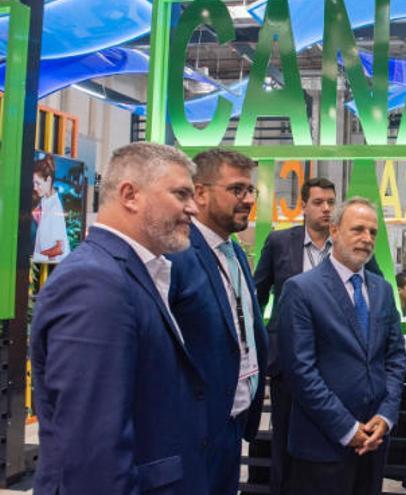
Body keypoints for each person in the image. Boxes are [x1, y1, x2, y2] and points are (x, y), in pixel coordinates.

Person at [30, 142, 209, 494]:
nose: (193, 209)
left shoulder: (131, 273)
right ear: (130, 195)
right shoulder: (95, 283)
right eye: (181, 194)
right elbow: (91, 449)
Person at [277, 198, 406, 495]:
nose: (367, 239)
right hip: (322, 445)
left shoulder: (382, 289)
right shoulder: (301, 289)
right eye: (358, 229)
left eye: (373, 232)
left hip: (373, 442)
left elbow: (396, 358)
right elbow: (301, 372)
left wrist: (385, 416)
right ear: (334, 231)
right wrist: (348, 429)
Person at [167, 149, 269, 495]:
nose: (248, 200)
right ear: (200, 193)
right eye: (237, 190)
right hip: (193, 431)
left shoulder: (233, 250)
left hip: (231, 421)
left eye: (251, 191)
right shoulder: (176, 254)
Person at [32, 154, 70, 263]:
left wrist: (38, 256)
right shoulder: (45, 200)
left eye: (37, 183)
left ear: (48, 180)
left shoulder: (55, 208)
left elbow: (60, 248)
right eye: (33, 183)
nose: (35, 187)